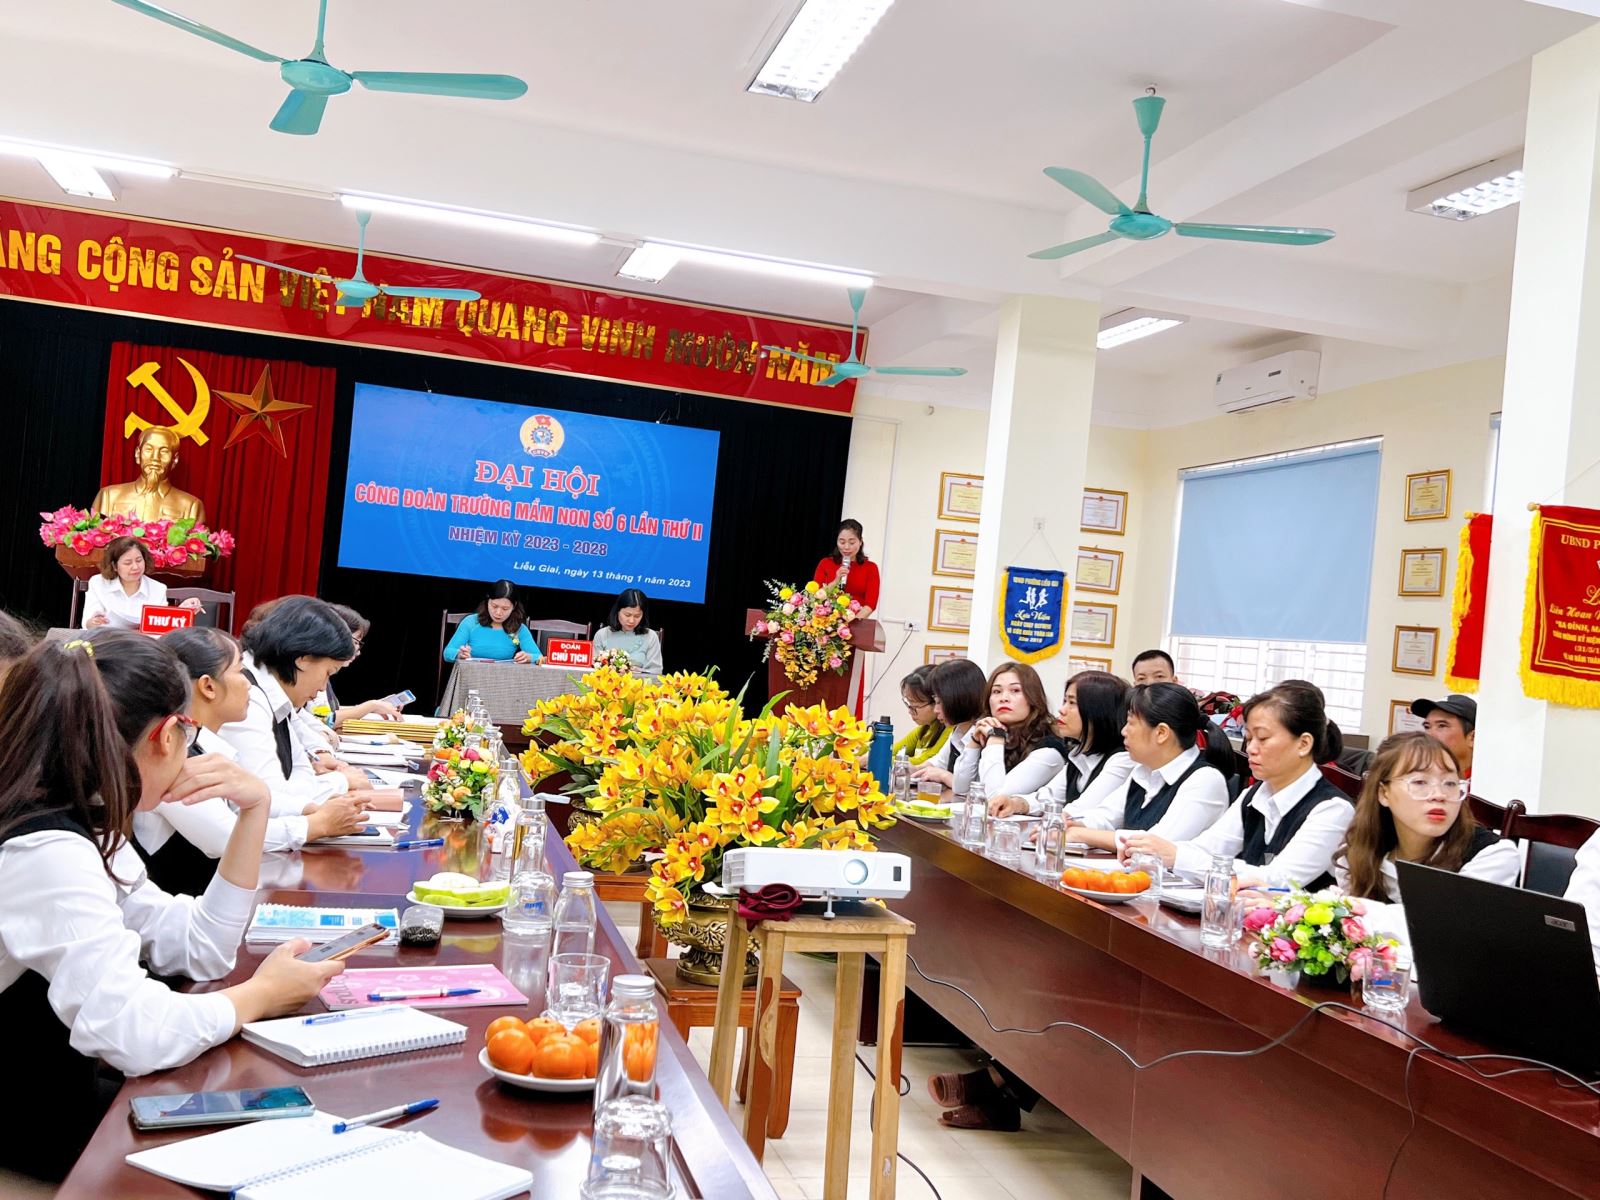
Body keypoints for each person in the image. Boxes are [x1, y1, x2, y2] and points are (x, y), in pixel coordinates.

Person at [0, 632, 343, 1179]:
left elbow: (200, 947)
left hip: (53, 1090)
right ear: (166, 735)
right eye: (190, 735)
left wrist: (253, 812)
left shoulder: (84, 814)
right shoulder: (45, 849)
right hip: (32, 1116)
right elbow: (133, 1032)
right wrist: (259, 995)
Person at [133, 627, 370, 895]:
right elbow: (224, 838)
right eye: (239, 672)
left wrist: (311, 809)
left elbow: (246, 800)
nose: (248, 684)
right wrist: (316, 824)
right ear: (208, 686)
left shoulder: (201, 744)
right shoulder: (168, 755)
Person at [1121, 683, 1354, 889]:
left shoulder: (1332, 809)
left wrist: (1177, 856)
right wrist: (1156, 850)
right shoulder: (1254, 795)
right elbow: (1207, 848)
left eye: (1263, 739)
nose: (1250, 748)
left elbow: (1278, 880)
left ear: (1303, 744)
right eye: (1249, 738)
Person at [1333, 732, 1516, 911]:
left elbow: (1442, 923)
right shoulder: (1356, 853)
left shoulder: (1492, 855)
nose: (1439, 795)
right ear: (1384, 793)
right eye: (1420, 782)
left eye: (1450, 783)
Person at [220, 595, 372, 810]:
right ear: (303, 659)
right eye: (328, 673)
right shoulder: (248, 697)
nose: (323, 688)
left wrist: (322, 764)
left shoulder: (276, 695)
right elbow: (266, 800)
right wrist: (340, 782)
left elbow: (301, 771)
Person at [1056, 682, 1232, 851]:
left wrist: (1081, 834)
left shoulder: (1205, 780)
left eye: (1131, 723)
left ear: (1161, 733)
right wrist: (1073, 823)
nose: (1123, 731)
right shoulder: (1143, 770)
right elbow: (1106, 816)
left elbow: (1156, 844)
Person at [988, 671, 1132, 816]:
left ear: (1099, 710)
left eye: (1072, 703)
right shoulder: (1079, 757)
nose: (1061, 710)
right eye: (1064, 701)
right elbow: (1048, 798)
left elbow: (1079, 812)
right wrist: (1015, 804)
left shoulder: (1122, 760)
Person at [952, 663, 1068, 799]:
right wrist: (974, 742)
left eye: (1015, 690)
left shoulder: (1049, 750)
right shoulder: (991, 732)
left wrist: (995, 739)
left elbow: (994, 798)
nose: (1004, 698)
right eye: (997, 691)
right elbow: (961, 789)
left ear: (1033, 698)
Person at [82, 535, 203, 630]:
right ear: (114, 566)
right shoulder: (98, 583)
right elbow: (87, 623)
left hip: (141, 647)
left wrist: (182, 611)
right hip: (106, 642)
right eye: (128, 563)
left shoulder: (158, 589)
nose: (135, 567)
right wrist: (95, 622)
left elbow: (161, 627)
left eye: (139, 560)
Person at [910, 658, 986, 794]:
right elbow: (939, 762)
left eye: (939, 702)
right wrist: (915, 769)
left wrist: (944, 776)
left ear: (959, 699)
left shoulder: (985, 733)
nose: (936, 710)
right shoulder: (958, 730)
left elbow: (973, 789)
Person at [444, 579, 542, 663]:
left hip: (503, 676)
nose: (498, 613)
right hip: (472, 674)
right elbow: (448, 653)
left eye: (505, 608)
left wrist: (529, 657)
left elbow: (539, 657)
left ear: (514, 606)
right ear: (487, 601)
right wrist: (459, 654)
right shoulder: (471, 622)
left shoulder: (518, 629)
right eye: (494, 606)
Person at [812, 519, 879, 618]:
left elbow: (870, 604)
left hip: (856, 621)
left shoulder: (871, 568)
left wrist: (852, 623)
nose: (846, 547)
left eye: (852, 543)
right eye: (842, 542)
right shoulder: (825, 563)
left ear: (860, 542)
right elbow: (816, 597)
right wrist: (836, 580)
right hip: (825, 621)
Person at [592, 588, 664, 676]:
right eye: (627, 615)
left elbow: (656, 671)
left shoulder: (651, 636)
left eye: (637, 616)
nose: (631, 621)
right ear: (618, 611)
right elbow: (593, 668)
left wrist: (638, 672)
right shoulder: (602, 634)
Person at [1411, 694, 1476, 782]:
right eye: (1427, 727)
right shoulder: (1415, 779)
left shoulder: (1489, 783)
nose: (1429, 735)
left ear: (1472, 738)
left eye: (1442, 726)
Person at [894, 665, 948, 764]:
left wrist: (876, 758)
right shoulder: (924, 729)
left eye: (915, 706)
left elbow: (924, 762)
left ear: (936, 701)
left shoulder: (950, 730)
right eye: (909, 705)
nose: (910, 711)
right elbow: (891, 751)